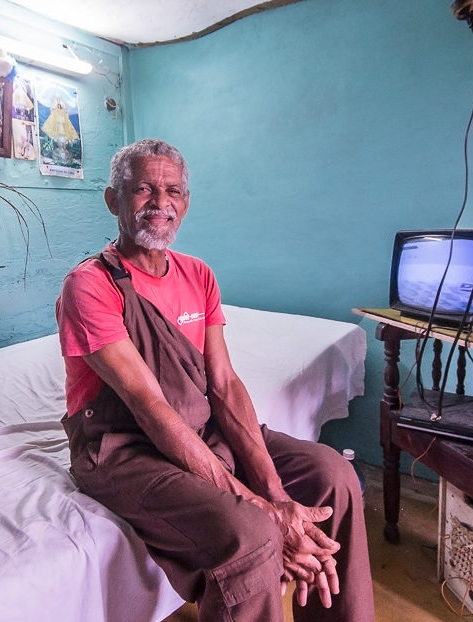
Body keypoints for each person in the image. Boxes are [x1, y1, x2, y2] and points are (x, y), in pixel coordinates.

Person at [55, 139, 374, 621]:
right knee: (249, 533)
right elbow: (149, 405)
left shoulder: (199, 275)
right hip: (123, 447)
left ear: (185, 203)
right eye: (143, 189)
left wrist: (278, 493)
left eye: (174, 191)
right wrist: (258, 505)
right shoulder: (91, 285)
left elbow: (223, 384)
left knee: (334, 476)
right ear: (113, 200)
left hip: (200, 429)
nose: (161, 204)